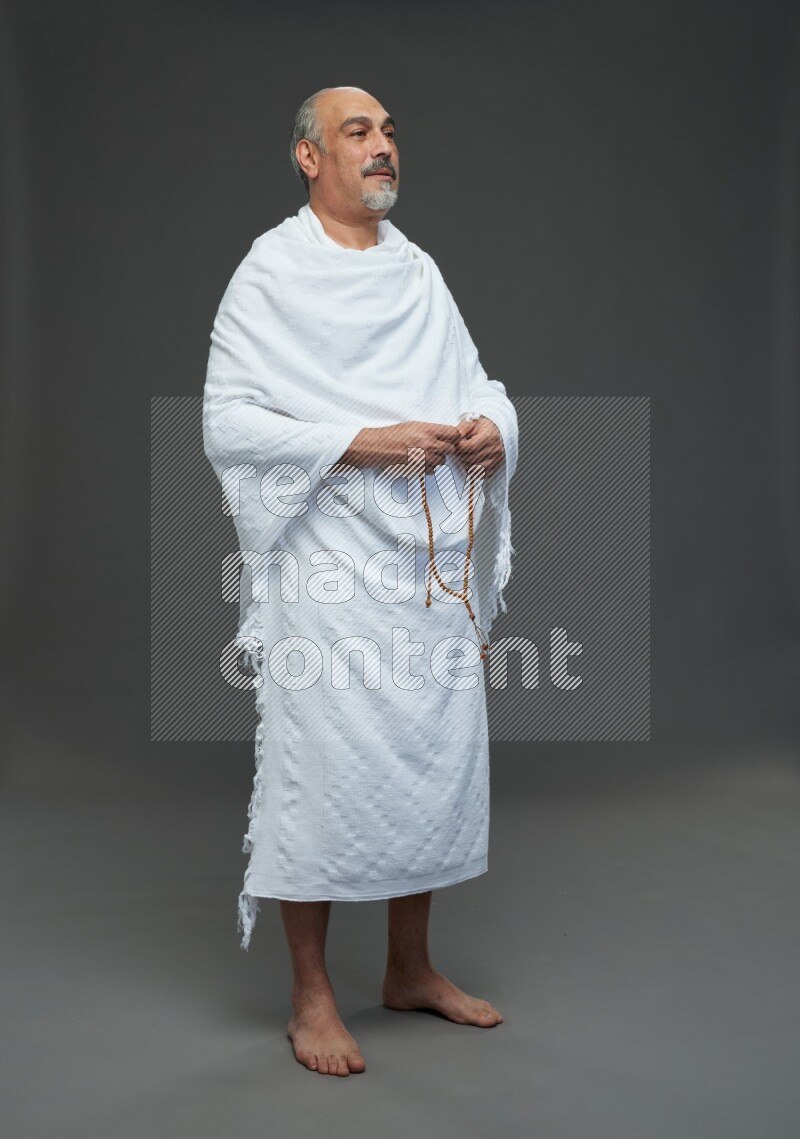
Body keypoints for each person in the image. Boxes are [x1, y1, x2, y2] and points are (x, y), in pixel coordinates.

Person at [203, 86, 518, 1076]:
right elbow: (230, 422)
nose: (381, 148)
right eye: (356, 132)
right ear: (308, 157)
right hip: (327, 561)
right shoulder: (272, 269)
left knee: (424, 754)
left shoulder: (416, 271)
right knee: (324, 767)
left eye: (386, 133)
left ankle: (409, 967)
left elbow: (479, 381)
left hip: (421, 566)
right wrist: (357, 441)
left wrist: (486, 430)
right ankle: (310, 994)